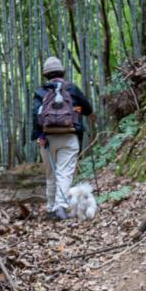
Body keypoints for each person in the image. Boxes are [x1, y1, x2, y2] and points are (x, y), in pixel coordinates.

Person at [31, 56, 94, 219]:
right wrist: (77, 108)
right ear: (62, 72)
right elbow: (88, 109)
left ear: (46, 74)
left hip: (47, 139)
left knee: (50, 173)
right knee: (64, 173)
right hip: (69, 136)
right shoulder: (72, 88)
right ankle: (61, 206)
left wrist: (39, 135)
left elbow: (35, 115)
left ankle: (51, 206)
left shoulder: (40, 91)